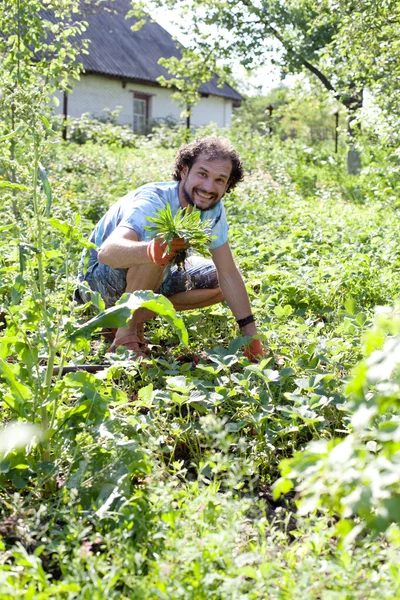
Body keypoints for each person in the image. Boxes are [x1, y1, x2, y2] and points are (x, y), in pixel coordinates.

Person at [75, 136, 264, 361]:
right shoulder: (153, 200)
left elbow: (228, 273)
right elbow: (108, 252)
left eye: (219, 180)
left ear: (227, 186)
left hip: (150, 275)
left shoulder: (212, 208)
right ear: (184, 171)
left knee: (222, 283)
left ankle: (119, 319)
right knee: (161, 249)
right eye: (202, 174)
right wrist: (151, 250)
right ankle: (124, 340)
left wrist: (251, 336)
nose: (208, 187)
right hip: (96, 283)